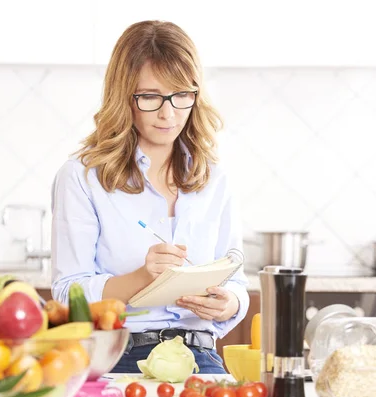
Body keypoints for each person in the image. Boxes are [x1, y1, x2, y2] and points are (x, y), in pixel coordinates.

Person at [50, 20, 249, 374]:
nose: (168, 113)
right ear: (123, 96)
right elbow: (68, 295)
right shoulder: (82, 177)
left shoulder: (215, 179)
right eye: (151, 97)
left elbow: (234, 275)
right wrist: (143, 276)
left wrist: (229, 303)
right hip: (119, 356)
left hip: (201, 357)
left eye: (182, 95)